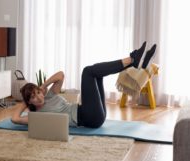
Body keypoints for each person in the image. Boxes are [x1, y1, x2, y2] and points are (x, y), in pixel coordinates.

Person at [12, 42, 157, 128]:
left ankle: (134, 63)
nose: (38, 97)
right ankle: (132, 60)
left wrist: (43, 85)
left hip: (94, 115)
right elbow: (15, 119)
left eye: (37, 92)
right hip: (89, 118)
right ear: (29, 102)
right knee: (88, 72)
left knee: (96, 73)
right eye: (33, 97)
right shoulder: (36, 115)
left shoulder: (49, 95)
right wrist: (26, 102)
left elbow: (61, 75)